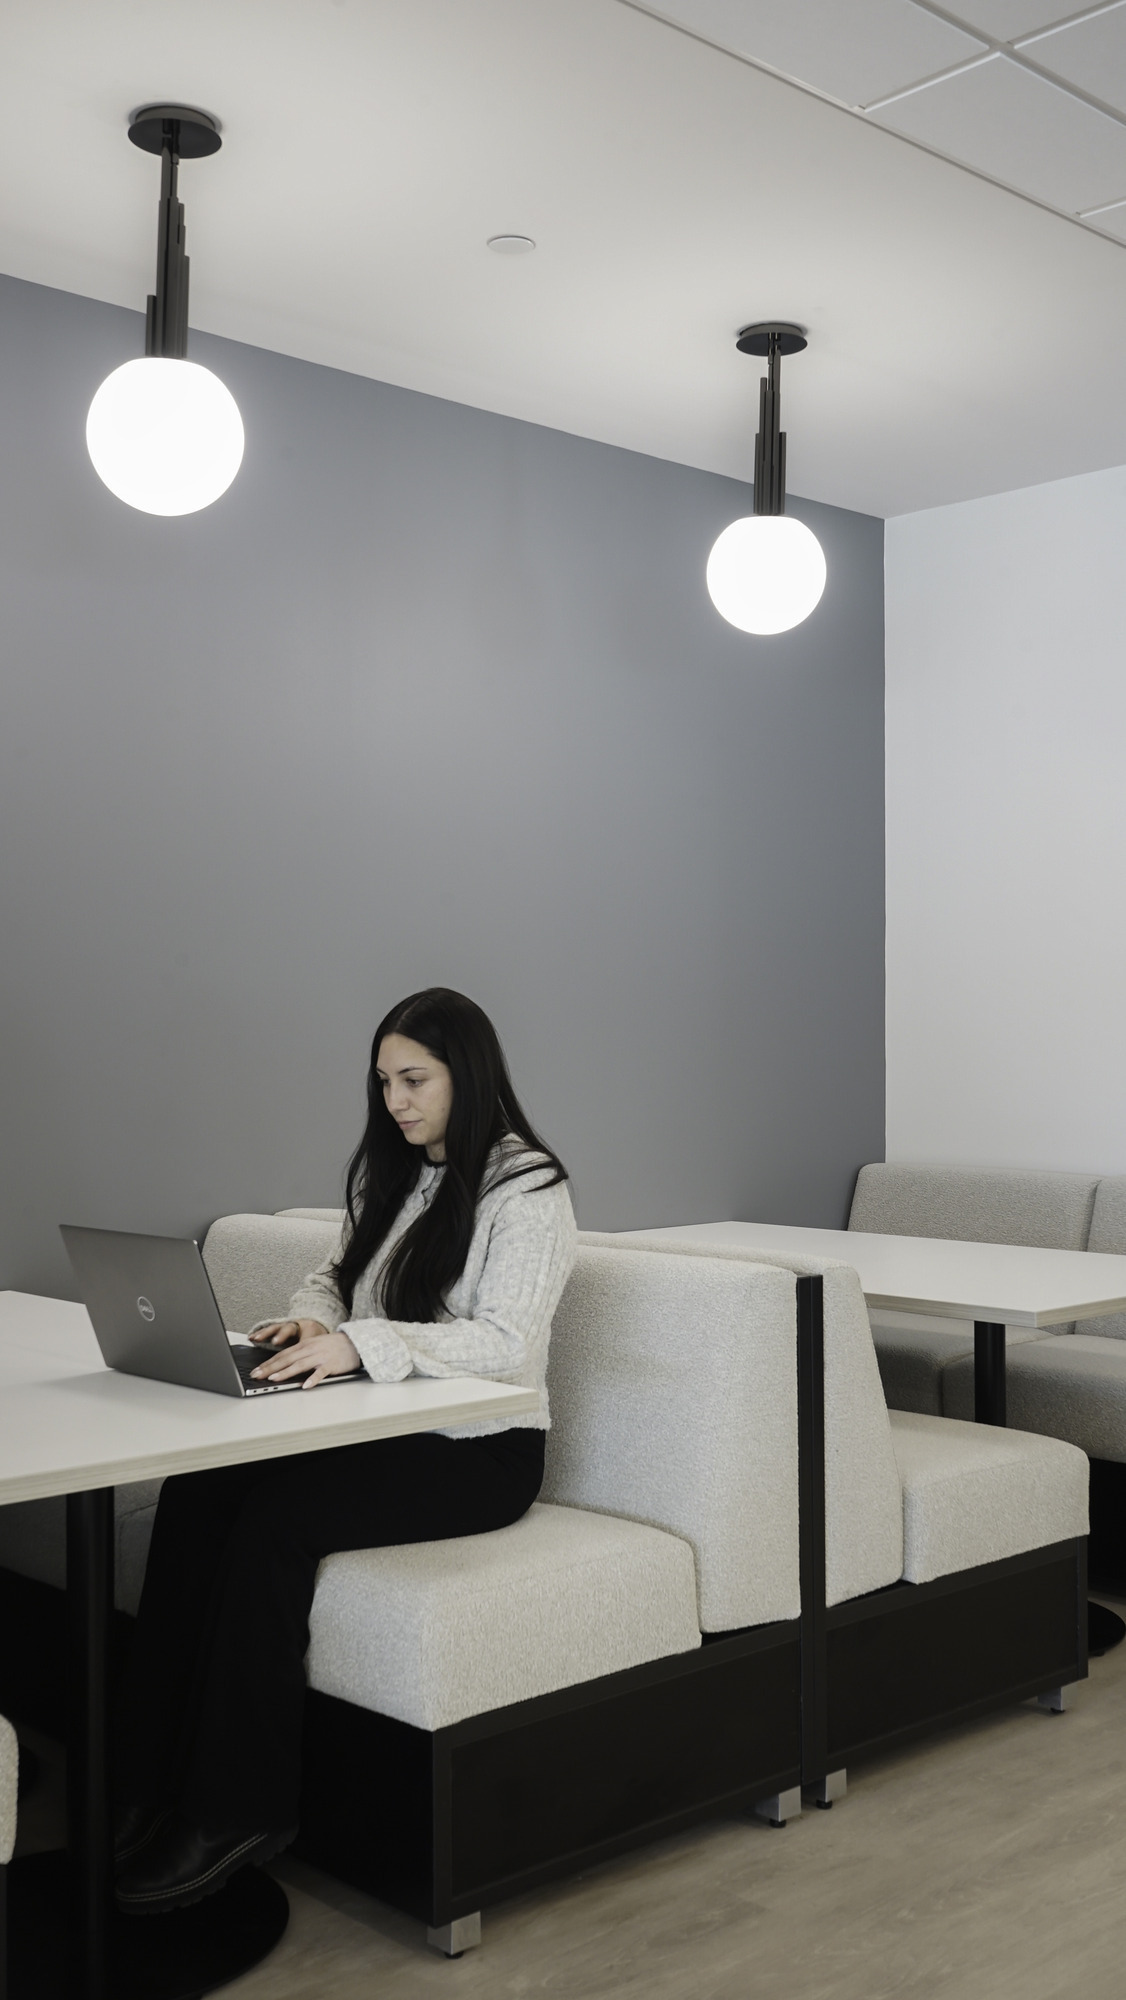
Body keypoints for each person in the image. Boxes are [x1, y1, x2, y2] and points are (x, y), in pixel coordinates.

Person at [114, 987, 576, 1915]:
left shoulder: (528, 1190)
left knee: (277, 1523)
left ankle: (236, 1810)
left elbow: (508, 1343)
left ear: (467, 1075)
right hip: (381, 1427)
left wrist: (363, 1344)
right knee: (201, 1489)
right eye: (384, 1082)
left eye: (415, 1081)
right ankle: (149, 1776)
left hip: (480, 1451)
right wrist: (314, 1321)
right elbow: (335, 1274)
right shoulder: (391, 1174)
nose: (395, 1101)